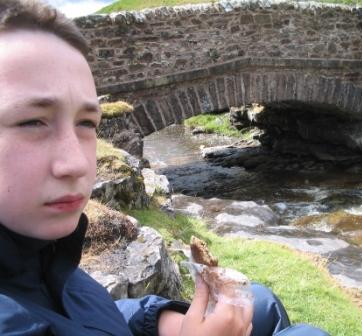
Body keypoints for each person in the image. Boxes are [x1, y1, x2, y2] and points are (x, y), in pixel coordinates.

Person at [0, 1, 330, 335]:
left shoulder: (37, 250)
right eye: (31, 122)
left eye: (86, 122)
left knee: (259, 301)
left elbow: (79, 311)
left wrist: (160, 320)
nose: (76, 164)